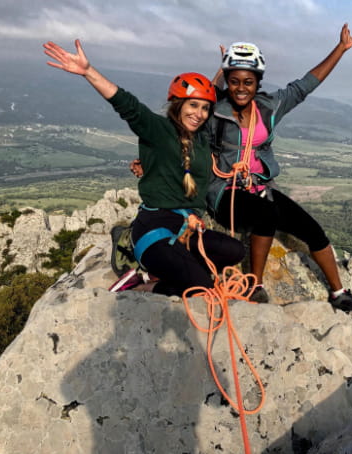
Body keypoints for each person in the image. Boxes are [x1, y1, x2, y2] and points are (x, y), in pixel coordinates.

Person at [43, 39, 245, 297]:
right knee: (202, 288)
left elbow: (211, 92)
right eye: (192, 105)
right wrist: (87, 71)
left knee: (235, 252)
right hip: (154, 230)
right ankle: (143, 284)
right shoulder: (158, 130)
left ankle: (158, 275)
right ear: (178, 104)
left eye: (205, 108)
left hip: (187, 228)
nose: (200, 113)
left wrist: (223, 68)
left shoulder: (201, 136)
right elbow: (127, 104)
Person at [207, 24, 352, 312]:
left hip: (258, 189)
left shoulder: (269, 107)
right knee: (267, 213)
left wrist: (340, 50)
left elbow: (305, 85)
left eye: (248, 82)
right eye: (234, 81)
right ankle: (254, 286)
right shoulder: (214, 112)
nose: (241, 88)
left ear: (257, 83)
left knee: (313, 231)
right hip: (224, 192)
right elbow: (187, 122)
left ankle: (338, 293)